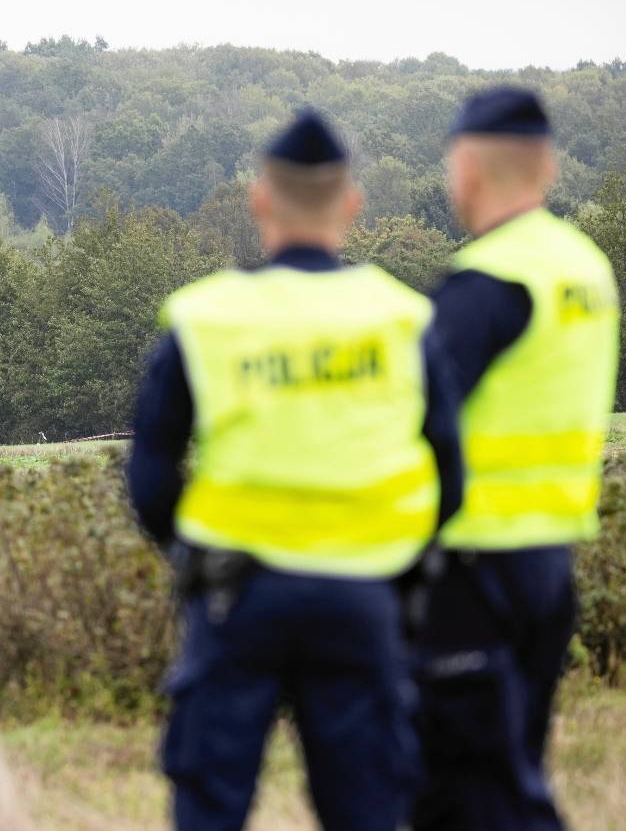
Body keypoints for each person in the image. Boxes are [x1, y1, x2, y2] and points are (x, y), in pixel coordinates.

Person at [127, 109, 463, 831]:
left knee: (210, 800)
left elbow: (151, 472)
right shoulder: (403, 318)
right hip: (363, 597)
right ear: (351, 204)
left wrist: (189, 553)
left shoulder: (206, 316)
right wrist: (402, 567)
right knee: (369, 804)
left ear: (259, 200)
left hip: (236, 595)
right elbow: (451, 473)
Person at [412, 87, 620, 831]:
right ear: (548, 167)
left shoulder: (488, 280)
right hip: (548, 561)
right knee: (508, 768)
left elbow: (412, 415)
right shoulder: (586, 268)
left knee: (476, 792)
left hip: (473, 568)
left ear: (467, 169)